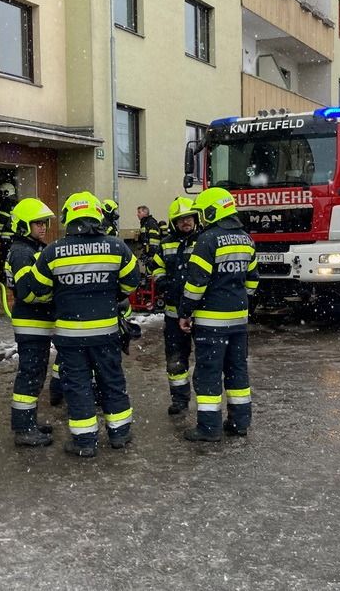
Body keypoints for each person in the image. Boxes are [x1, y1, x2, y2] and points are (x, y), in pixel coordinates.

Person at [23, 192, 140, 457]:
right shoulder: (117, 246)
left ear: (68, 217)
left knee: (78, 386)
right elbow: (132, 283)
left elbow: (38, 290)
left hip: (70, 336)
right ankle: (120, 434)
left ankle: (85, 442)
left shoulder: (53, 251)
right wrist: (109, 293)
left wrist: (63, 293)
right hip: (106, 333)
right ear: (97, 215)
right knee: (111, 381)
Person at [178, 187, 259, 442]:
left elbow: (196, 284)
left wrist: (185, 312)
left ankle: (209, 428)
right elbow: (253, 282)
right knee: (237, 372)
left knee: (208, 375)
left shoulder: (207, 240)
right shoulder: (246, 239)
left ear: (211, 211)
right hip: (238, 320)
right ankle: (239, 423)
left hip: (212, 322)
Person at [4, 197, 57, 447]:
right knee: (30, 373)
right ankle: (24, 428)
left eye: (44, 223)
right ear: (24, 225)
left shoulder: (32, 249)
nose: (43, 227)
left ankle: (29, 422)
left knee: (36, 373)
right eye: (37, 223)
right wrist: (57, 294)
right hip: (31, 323)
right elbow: (26, 292)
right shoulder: (22, 252)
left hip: (38, 323)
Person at [148, 197, 200, 415]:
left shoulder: (204, 241)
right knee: (175, 359)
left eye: (188, 218)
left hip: (200, 313)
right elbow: (157, 267)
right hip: (173, 313)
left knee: (207, 359)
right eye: (180, 220)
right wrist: (162, 283)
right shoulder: (166, 243)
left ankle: (208, 401)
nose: (185, 222)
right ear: (173, 223)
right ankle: (180, 400)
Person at [0, 182, 17, 275]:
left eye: (2, 192)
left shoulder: (6, 203)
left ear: (7, 192)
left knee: (5, 261)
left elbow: (2, 220)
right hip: (15, 237)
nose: (1, 195)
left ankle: (5, 278)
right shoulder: (17, 203)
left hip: (6, 238)